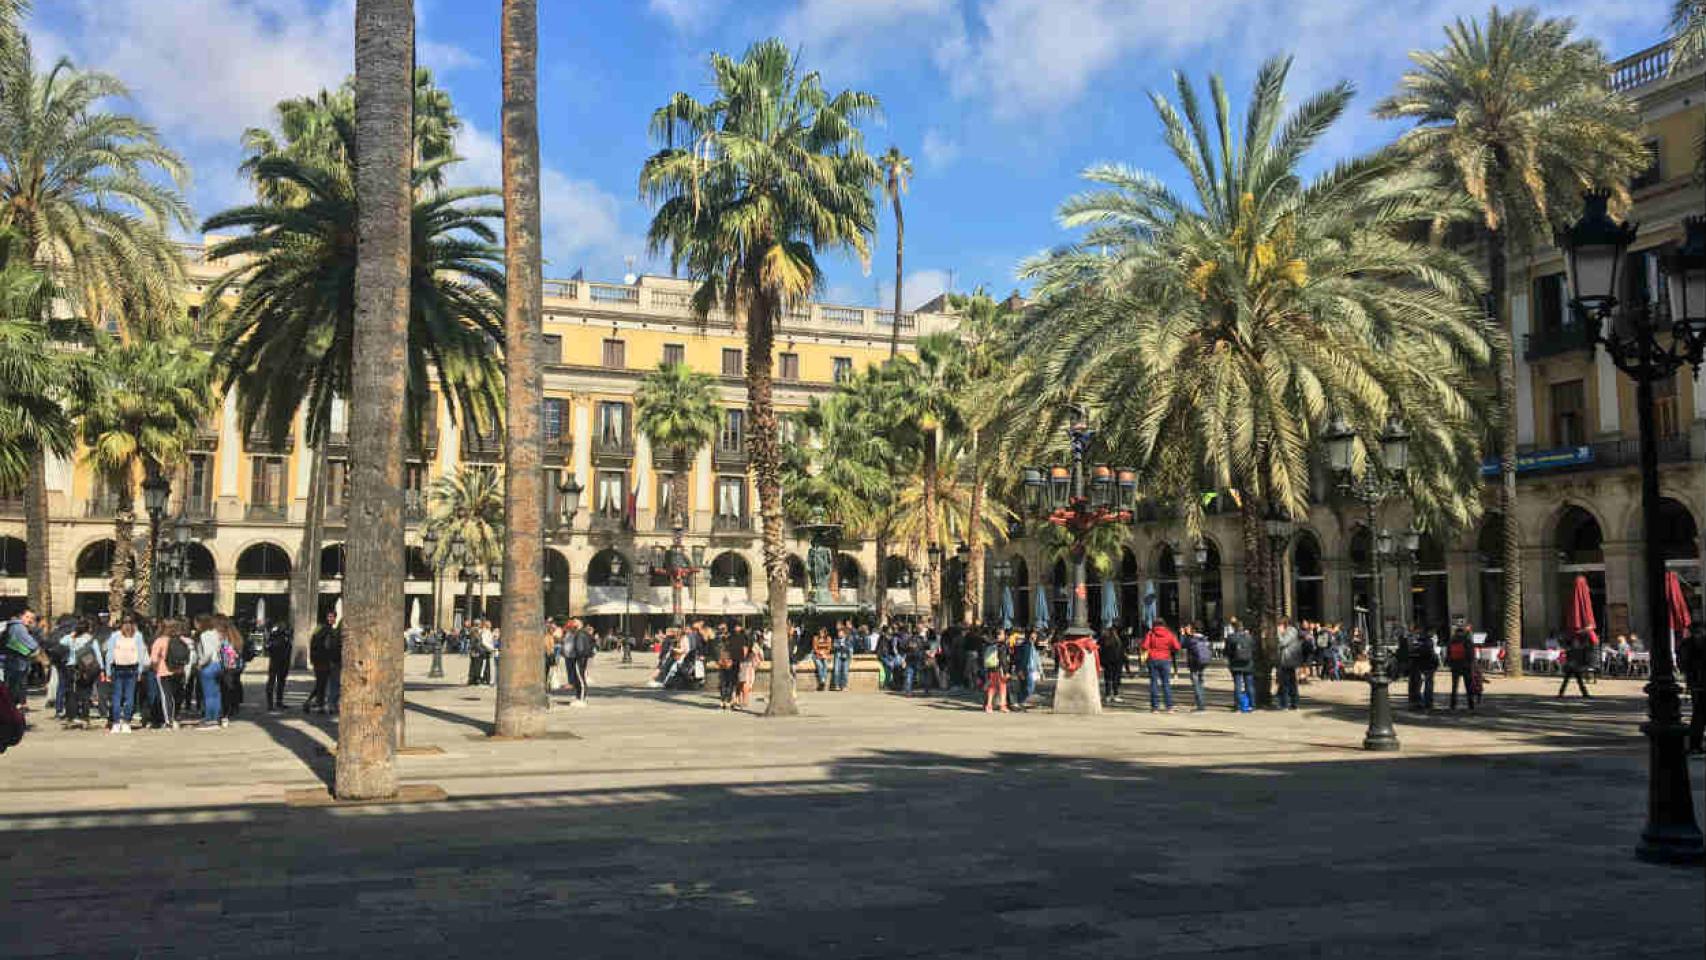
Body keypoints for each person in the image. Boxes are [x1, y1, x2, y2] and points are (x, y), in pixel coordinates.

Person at [99, 616, 148, 733]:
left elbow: (109, 654)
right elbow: (141, 655)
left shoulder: (115, 635)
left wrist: (108, 671)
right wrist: (140, 671)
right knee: (129, 696)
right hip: (132, 668)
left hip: (117, 668)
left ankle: (116, 723)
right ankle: (126, 722)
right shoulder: (138, 636)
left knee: (116, 696)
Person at [3, 608, 40, 712]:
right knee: (15, 688)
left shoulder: (11, 626)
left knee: (11, 687)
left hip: (11, 661)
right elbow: (33, 645)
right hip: (18, 663)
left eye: (31, 618)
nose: (29, 620)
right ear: (21, 616)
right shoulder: (19, 627)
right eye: (27, 617)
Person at [192, 614, 226, 728]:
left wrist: (200, 664)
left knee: (208, 694)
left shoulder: (204, 635)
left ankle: (209, 718)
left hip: (208, 665)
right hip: (218, 664)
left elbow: (207, 653)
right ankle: (216, 716)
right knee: (216, 693)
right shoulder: (216, 633)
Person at [147, 618, 181, 730]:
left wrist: (152, 667)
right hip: (177, 671)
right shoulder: (178, 640)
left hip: (163, 671)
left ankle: (168, 721)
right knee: (173, 696)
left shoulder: (159, 641)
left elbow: (154, 659)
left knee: (165, 696)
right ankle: (174, 718)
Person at [1141, 619, 1181, 713]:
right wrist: (1169, 650)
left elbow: (1145, 646)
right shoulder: (1169, 634)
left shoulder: (1150, 633)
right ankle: (1169, 707)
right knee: (1166, 683)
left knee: (1154, 683)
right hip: (1165, 659)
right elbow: (1177, 647)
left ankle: (1155, 707)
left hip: (1153, 659)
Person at [305, 611, 339, 713]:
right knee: (321, 684)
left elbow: (313, 643)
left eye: (333, 617)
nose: (331, 619)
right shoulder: (327, 630)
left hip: (319, 660)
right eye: (330, 617)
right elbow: (327, 646)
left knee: (320, 683)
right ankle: (318, 705)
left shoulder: (321, 628)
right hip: (322, 660)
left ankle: (311, 703)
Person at [1681, 623, 1705, 756]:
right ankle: (1695, 745)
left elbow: (1683, 664)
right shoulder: (1692, 644)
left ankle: (1695, 745)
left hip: (1696, 684)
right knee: (1699, 716)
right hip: (1699, 684)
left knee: (1698, 715)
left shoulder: (1686, 644)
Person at [1445, 621, 1478, 711]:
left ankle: (1453, 704)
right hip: (1466, 666)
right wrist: (1473, 665)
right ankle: (1471, 705)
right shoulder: (1467, 640)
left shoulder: (1451, 641)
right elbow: (1471, 655)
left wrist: (1450, 664)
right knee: (1468, 686)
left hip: (1455, 666)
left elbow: (1448, 655)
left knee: (1454, 686)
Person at [1225, 616, 1255, 713]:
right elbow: (1254, 649)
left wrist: (1229, 660)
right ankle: (1251, 705)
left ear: (1234, 628)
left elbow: (1227, 652)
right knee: (1249, 685)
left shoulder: (1231, 637)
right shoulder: (1249, 637)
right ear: (1243, 627)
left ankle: (1237, 706)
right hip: (1248, 663)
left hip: (1235, 664)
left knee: (1237, 685)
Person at [1182, 621, 1213, 712]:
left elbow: (1181, 644)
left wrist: (1184, 634)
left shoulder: (1191, 639)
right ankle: (1201, 703)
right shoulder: (1204, 638)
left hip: (1194, 664)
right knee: (1200, 682)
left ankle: (1200, 705)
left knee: (1196, 684)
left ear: (1193, 629)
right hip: (1203, 662)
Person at [1274, 617, 1302, 710]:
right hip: (1286, 660)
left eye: (1280, 624)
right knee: (1288, 683)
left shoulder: (1291, 631)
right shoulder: (1288, 631)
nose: (1279, 626)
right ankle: (1292, 703)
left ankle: (1287, 704)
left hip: (1288, 660)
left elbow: (1283, 643)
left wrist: (1279, 632)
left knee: (1287, 683)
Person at [1406, 628, 1437, 711]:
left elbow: (1409, 654)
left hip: (1417, 666)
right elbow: (1431, 654)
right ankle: (1428, 702)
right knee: (1428, 684)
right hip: (1428, 666)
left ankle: (1416, 702)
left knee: (1416, 684)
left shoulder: (1413, 642)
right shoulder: (1428, 642)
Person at [264, 623, 292, 710]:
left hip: (278, 661)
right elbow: (268, 647)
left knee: (277, 682)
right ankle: (273, 703)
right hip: (279, 661)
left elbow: (267, 647)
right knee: (276, 682)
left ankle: (274, 703)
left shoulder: (281, 636)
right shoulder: (282, 637)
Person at [980, 632, 1010, 713]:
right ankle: (1003, 706)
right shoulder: (1002, 646)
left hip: (991, 668)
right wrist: (1006, 671)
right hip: (1000, 669)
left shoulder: (991, 644)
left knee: (991, 687)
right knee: (1002, 688)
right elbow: (1003, 660)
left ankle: (988, 706)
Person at [1558, 631, 1593, 698]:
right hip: (1572, 666)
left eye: (1576, 641)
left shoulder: (1578, 648)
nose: (1576, 642)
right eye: (1575, 641)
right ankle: (1561, 693)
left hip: (1575, 666)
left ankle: (1585, 693)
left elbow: (1584, 644)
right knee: (1567, 680)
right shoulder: (1572, 648)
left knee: (1578, 681)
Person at [831, 625, 852, 692]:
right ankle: (837, 685)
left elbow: (850, 648)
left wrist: (843, 646)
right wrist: (840, 646)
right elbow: (834, 646)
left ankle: (844, 686)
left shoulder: (848, 639)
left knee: (845, 671)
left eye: (840, 633)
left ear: (844, 634)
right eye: (838, 633)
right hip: (838, 655)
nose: (839, 634)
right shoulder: (836, 640)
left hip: (846, 656)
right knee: (837, 670)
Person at [810, 628, 833, 692]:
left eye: (823, 632)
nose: (821, 633)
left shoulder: (828, 638)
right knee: (819, 666)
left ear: (825, 633)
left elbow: (829, 648)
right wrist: (820, 653)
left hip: (825, 655)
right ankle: (822, 680)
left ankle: (822, 681)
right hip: (817, 655)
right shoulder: (815, 638)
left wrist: (824, 654)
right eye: (820, 632)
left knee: (825, 665)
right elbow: (815, 648)